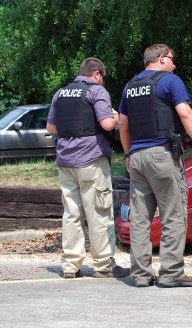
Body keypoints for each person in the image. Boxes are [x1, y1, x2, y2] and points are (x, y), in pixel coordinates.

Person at [118, 43, 192, 288]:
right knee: (174, 214)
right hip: (162, 155)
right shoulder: (170, 81)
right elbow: (185, 114)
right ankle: (171, 273)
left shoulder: (130, 86)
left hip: (137, 157)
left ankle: (140, 274)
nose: (174, 64)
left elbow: (123, 125)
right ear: (160, 59)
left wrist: (128, 154)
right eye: (172, 58)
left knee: (140, 218)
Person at [46, 57, 129, 279]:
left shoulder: (60, 93)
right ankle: (103, 265)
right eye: (102, 77)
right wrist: (117, 116)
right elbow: (107, 124)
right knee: (99, 213)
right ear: (97, 74)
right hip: (91, 160)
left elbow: (51, 127)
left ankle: (70, 266)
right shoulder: (96, 91)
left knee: (71, 214)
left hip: (65, 162)